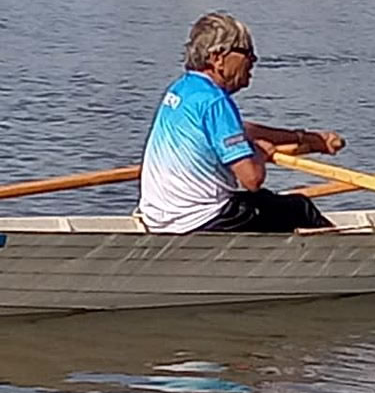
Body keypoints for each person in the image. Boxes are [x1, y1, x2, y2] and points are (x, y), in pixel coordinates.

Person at [137, 12, 346, 233]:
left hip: (159, 215)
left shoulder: (183, 89)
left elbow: (240, 130)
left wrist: (307, 139)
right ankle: (348, 255)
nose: (253, 60)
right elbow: (252, 179)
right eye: (247, 53)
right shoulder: (215, 101)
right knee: (300, 208)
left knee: (267, 202)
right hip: (199, 219)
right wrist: (258, 152)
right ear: (217, 57)